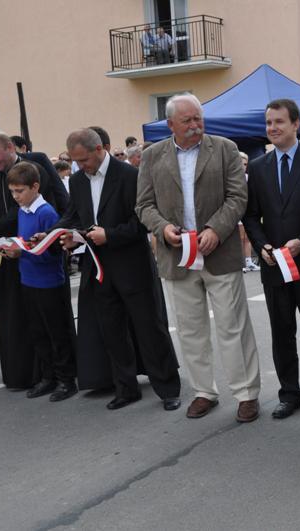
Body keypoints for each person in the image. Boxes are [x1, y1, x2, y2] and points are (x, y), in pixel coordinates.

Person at [136, 93, 261, 422]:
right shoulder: (152, 156)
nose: (195, 126)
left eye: (198, 119)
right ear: (170, 124)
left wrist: (216, 230)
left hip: (218, 252)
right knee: (190, 330)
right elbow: (143, 205)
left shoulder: (224, 149)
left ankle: (246, 393)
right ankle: (204, 391)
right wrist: (162, 229)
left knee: (233, 327)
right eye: (187, 121)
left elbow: (238, 196)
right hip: (177, 256)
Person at [54, 128, 181, 411]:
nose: (81, 166)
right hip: (98, 267)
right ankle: (126, 387)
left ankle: (168, 388)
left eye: (84, 160)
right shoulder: (77, 181)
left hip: (132, 265)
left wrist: (109, 235)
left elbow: (142, 223)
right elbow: (73, 215)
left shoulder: (130, 176)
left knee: (150, 327)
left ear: (100, 149)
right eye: (76, 161)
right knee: (112, 329)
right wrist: (55, 234)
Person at [242, 98, 300, 419]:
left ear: (296, 124)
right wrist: (262, 246)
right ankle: (289, 393)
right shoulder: (257, 167)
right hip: (273, 267)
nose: (272, 128)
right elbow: (251, 215)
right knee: (282, 333)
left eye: (279, 122)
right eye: (269, 123)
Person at [0, 131, 69, 389]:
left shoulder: (41, 202)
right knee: (32, 326)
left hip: (45, 276)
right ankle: (39, 376)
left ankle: (65, 379)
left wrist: (13, 244)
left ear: (11, 147)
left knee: (54, 330)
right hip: (23, 271)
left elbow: (45, 245)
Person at [2, 162, 77, 401]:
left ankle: (66, 380)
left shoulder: (46, 213)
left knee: (56, 333)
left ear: (35, 187)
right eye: (12, 192)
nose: (15, 197)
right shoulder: (24, 211)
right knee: (38, 332)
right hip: (29, 280)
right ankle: (48, 376)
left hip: (48, 282)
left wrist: (20, 252)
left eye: (19, 191)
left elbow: (52, 253)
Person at [238, 151, 259, 272]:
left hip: (247, 211)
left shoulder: (248, 178)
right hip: (237, 212)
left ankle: (249, 261)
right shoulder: (232, 177)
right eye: (241, 163)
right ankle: (240, 263)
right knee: (240, 238)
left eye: (245, 164)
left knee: (247, 237)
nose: (243, 166)